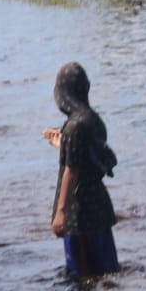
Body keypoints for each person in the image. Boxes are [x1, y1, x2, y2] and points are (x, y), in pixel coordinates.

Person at [41, 62, 120, 278]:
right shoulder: (92, 119)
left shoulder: (74, 126)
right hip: (99, 207)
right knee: (108, 270)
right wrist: (62, 143)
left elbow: (72, 171)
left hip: (79, 214)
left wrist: (61, 213)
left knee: (82, 276)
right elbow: (89, 155)